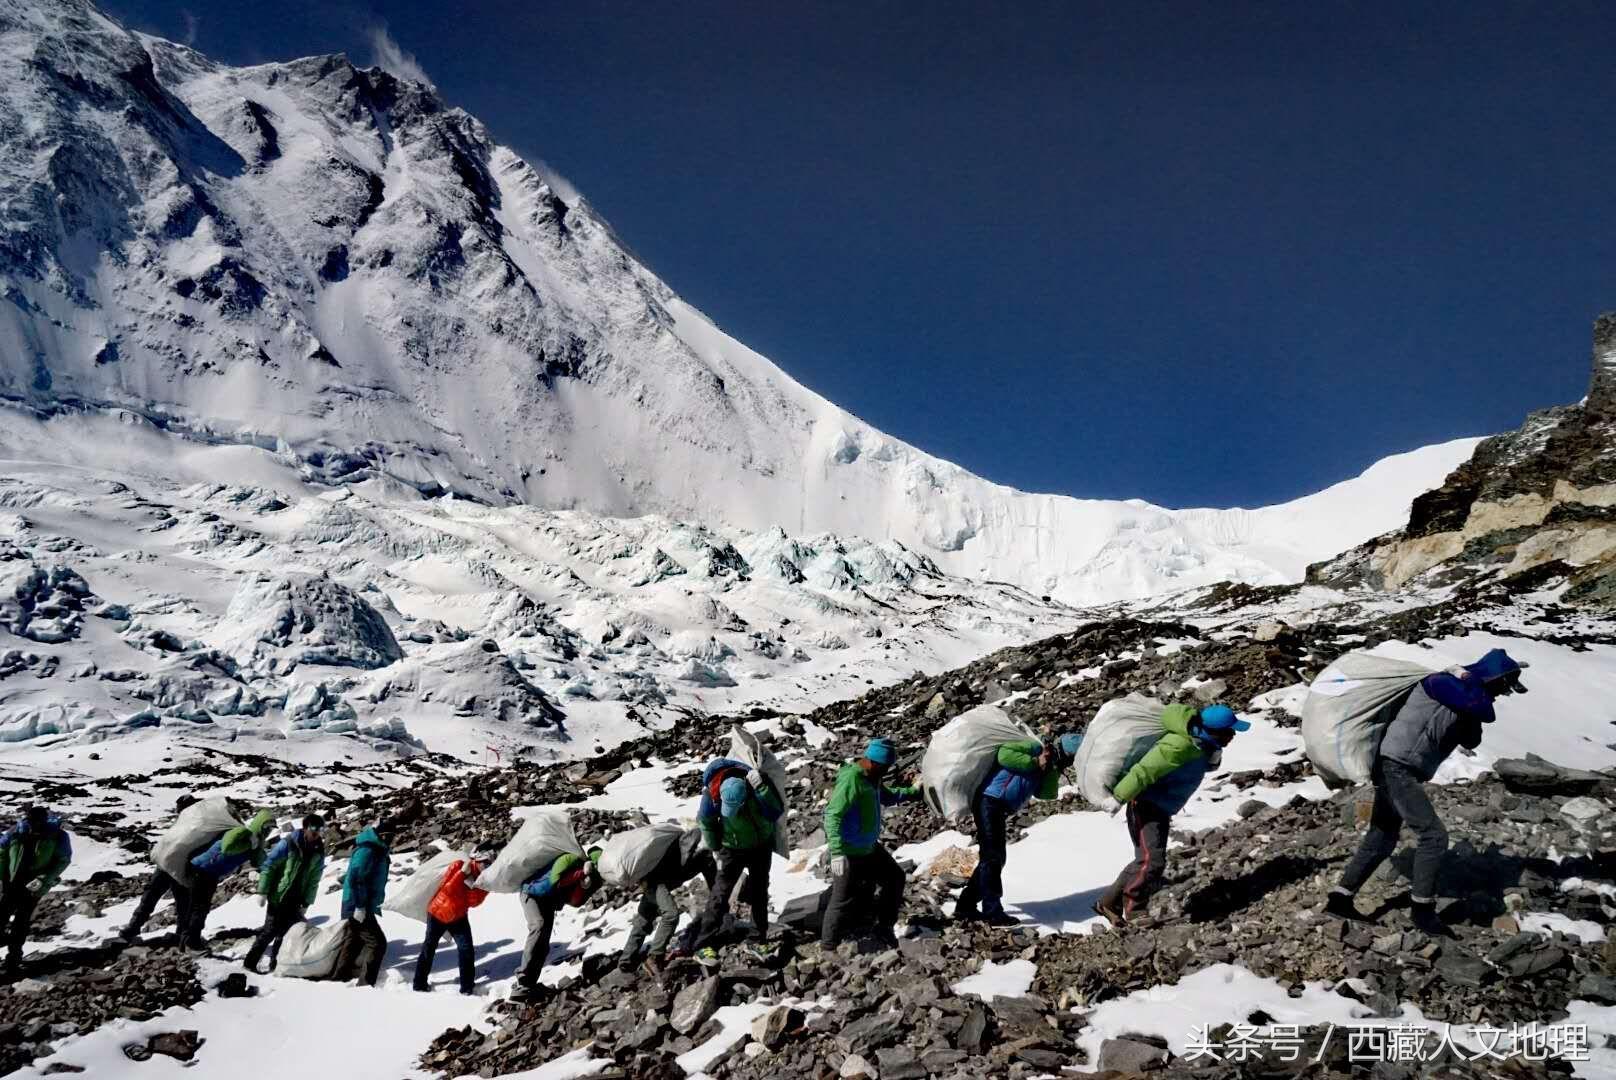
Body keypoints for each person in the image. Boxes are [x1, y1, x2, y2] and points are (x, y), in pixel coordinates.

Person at [1327, 649, 1527, 936]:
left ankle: (1339, 898)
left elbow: (1473, 736)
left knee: (1382, 835)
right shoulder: (1441, 683)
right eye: (1503, 686)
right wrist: (1472, 682)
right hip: (1397, 766)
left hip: (1397, 766)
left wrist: (1475, 700)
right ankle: (1422, 911)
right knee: (1434, 836)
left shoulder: (1466, 696)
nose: (1503, 694)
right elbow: (1486, 711)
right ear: (1493, 677)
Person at [1093, 704, 1249, 928]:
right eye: (1229, 731)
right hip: (1146, 805)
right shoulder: (1180, 745)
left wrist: (1213, 755)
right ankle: (1135, 910)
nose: (1233, 735)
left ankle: (1107, 903)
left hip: (1160, 807)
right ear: (1214, 731)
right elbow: (1144, 770)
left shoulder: (1202, 745)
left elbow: (1194, 768)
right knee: (1152, 861)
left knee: (1145, 859)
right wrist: (1118, 797)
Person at [955, 733, 1082, 927]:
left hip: (998, 806)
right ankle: (992, 912)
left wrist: (1050, 768)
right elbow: (1004, 755)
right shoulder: (1034, 746)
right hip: (989, 799)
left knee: (995, 857)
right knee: (993, 857)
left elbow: (1045, 794)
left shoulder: (1051, 764)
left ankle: (966, 905)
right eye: (1071, 758)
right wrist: (1034, 760)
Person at [821, 738, 921, 949]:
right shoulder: (852, 780)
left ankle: (884, 928)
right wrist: (837, 852)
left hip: (868, 848)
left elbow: (886, 796)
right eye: (884, 767)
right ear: (873, 762)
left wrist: (913, 791)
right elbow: (832, 815)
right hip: (849, 851)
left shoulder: (872, 778)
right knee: (841, 899)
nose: (886, 771)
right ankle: (828, 947)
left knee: (894, 877)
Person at [691, 756, 786, 964]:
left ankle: (757, 938)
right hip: (731, 850)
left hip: (760, 847)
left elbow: (776, 811)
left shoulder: (756, 784)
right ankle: (703, 944)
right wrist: (715, 847)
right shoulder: (712, 793)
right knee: (720, 894)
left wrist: (762, 789)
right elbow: (706, 821)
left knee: (760, 891)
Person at [618, 827, 717, 977]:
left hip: (658, 884)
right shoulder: (679, 847)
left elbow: (715, 884)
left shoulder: (705, 857)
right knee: (670, 915)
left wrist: (719, 903)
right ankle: (654, 957)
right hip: (654, 882)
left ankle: (627, 960)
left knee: (644, 918)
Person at [514, 848, 602, 998]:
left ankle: (529, 984)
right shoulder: (571, 858)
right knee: (538, 926)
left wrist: (582, 885)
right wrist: (581, 874)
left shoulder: (593, 879)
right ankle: (522, 980)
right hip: (531, 893)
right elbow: (556, 879)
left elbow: (575, 902)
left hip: (547, 902)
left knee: (542, 943)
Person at [183, 809, 275, 951]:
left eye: (270, 828)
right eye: (266, 826)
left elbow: (260, 862)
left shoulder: (256, 844)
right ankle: (192, 944)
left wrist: (268, 863)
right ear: (259, 824)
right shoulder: (242, 832)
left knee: (199, 907)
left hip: (211, 874)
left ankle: (187, 940)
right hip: (200, 869)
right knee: (199, 908)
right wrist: (249, 844)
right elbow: (227, 847)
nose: (268, 831)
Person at [244, 814, 326, 972]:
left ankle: (275, 966)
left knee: (285, 934)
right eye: (314, 828)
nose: (317, 833)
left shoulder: (318, 851)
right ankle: (249, 963)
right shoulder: (289, 843)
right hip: (279, 895)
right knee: (269, 931)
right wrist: (262, 891)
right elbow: (269, 865)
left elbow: (314, 880)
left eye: (320, 829)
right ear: (305, 828)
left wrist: (307, 902)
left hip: (297, 899)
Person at [0, 806, 71, 977]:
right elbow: (2, 853)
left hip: (34, 886)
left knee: (21, 922)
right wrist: (2, 879)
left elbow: (63, 860)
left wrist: (44, 879)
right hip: (11, 883)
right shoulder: (16, 831)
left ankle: (13, 960)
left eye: (38, 822)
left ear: (44, 820)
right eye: (31, 821)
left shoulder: (58, 836)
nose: (34, 825)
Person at [413, 854, 488, 994]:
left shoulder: (484, 879)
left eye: (489, 863)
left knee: (466, 949)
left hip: (458, 916)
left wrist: (479, 886)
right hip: (438, 912)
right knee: (429, 948)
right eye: (484, 862)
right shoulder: (458, 865)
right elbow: (447, 888)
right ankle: (419, 983)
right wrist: (462, 874)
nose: (486, 866)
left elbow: (473, 903)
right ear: (476, 860)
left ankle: (467, 987)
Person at [335, 823, 392, 986]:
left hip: (357, 903)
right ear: (381, 835)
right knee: (377, 943)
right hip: (357, 904)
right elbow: (356, 878)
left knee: (354, 941)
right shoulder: (368, 850)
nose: (391, 840)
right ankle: (366, 984)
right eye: (389, 836)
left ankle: (339, 978)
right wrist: (359, 906)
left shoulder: (376, 849)